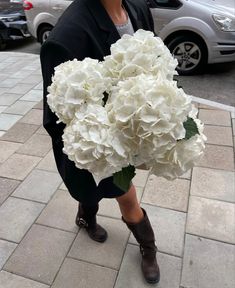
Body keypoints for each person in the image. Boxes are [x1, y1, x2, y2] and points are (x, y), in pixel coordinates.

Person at [40, 0, 160, 284]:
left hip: (127, 136)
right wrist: (102, 149)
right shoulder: (67, 36)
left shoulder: (138, 8)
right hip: (97, 146)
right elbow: (55, 117)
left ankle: (137, 242)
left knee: (115, 193)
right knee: (104, 192)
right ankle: (98, 224)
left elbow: (155, 66)